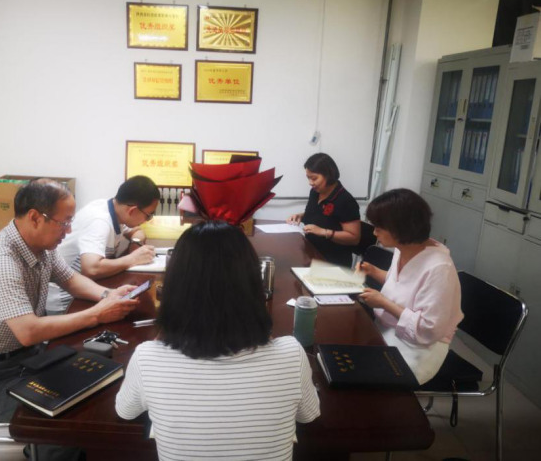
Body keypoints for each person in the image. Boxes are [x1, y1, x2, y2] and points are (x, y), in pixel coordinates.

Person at [0, 179, 139, 461]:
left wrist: (108, 294)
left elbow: (71, 280)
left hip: (25, 358)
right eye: (65, 222)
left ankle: (63, 449)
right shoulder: (0, 261)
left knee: (101, 377)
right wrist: (97, 314)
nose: (69, 230)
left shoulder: (42, 247)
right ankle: (51, 450)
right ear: (35, 217)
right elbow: (28, 331)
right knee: (67, 416)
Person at [116, 221, 320, 461]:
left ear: (174, 286)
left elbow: (126, 412)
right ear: (253, 283)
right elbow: (308, 415)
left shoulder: (147, 359)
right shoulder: (291, 355)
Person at [357, 188, 464, 385]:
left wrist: (383, 302)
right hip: (386, 330)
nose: (374, 232)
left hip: (418, 348)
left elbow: (428, 329)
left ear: (400, 228)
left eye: (379, 227)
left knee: (361, 382)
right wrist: (372, 271)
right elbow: (401, 284)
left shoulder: (439, 268)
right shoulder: (404, 248)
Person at [46, 175, 160, 314]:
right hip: (67, 300)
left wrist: (135, 244)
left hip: (89, 289)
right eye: (148, 215)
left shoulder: (115, 210)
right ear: (132, 210)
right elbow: (91, 269)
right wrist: (133, 259)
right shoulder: (99, 221)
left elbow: (138, 232)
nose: (147, 220)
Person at [287, 153, 361, 266]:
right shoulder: (315, 192)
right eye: (308, 178)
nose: (310, 183)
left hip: (333, 261)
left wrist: (324, 232)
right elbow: (317, 215)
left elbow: (354, 238)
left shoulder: (345, 200)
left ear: (328, 175)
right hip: (311, 252)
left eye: (314, 178)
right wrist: (301, 216)